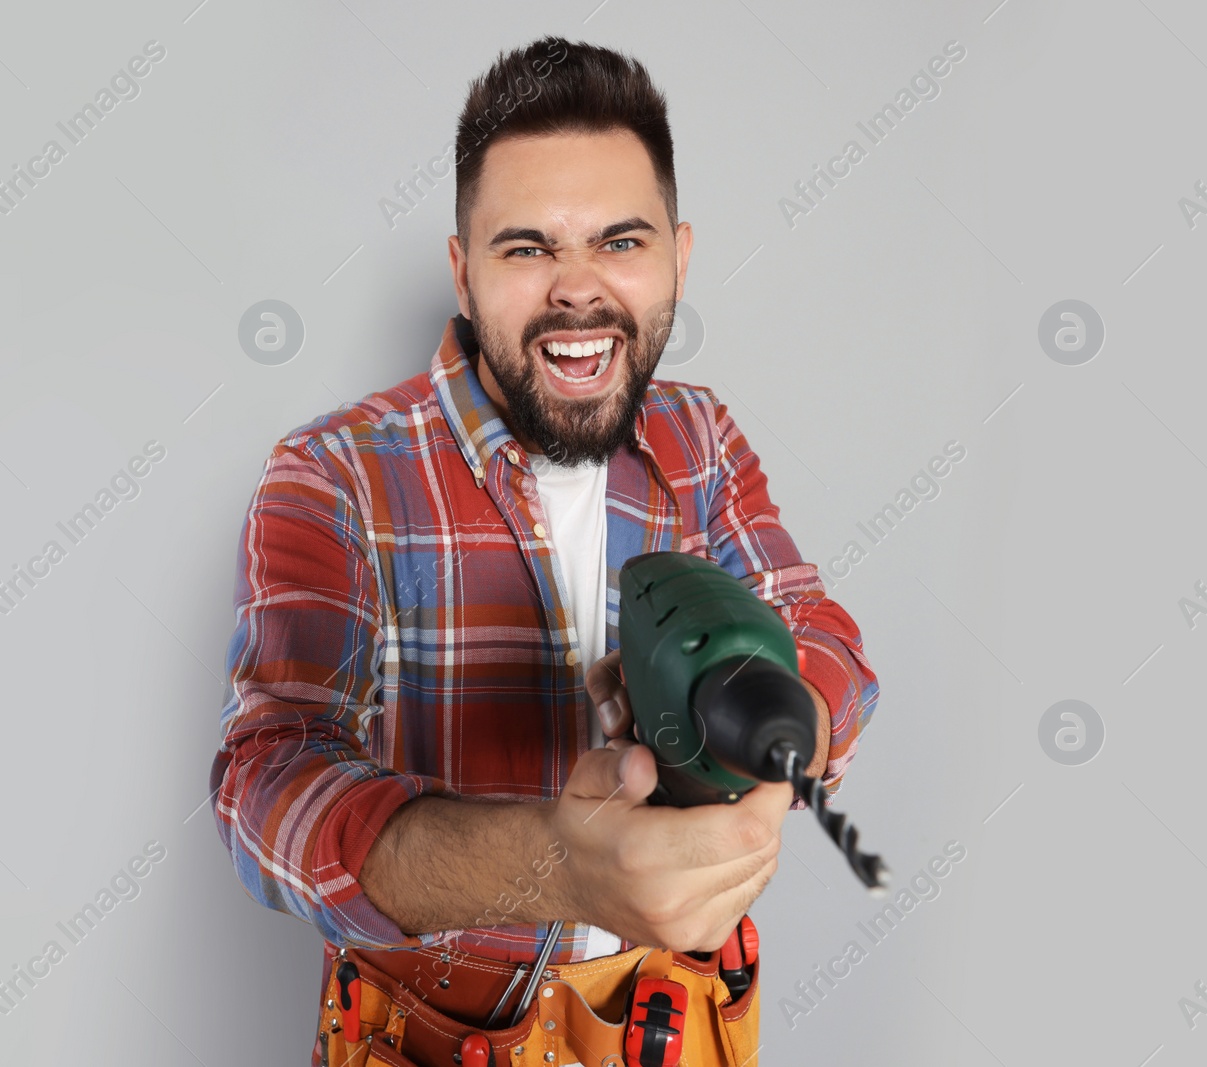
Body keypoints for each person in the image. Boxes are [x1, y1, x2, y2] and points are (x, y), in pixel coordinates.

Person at [209, 36, 880, 1067]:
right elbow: (265, 785)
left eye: (620, 241)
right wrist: (554, 866)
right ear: (463, 273)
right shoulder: (334, 471)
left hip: (676, 1029)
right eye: (526, 248)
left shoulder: (698, 436)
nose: (579, 290)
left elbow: (822, 634)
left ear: (678, 259)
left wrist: (769, 729)